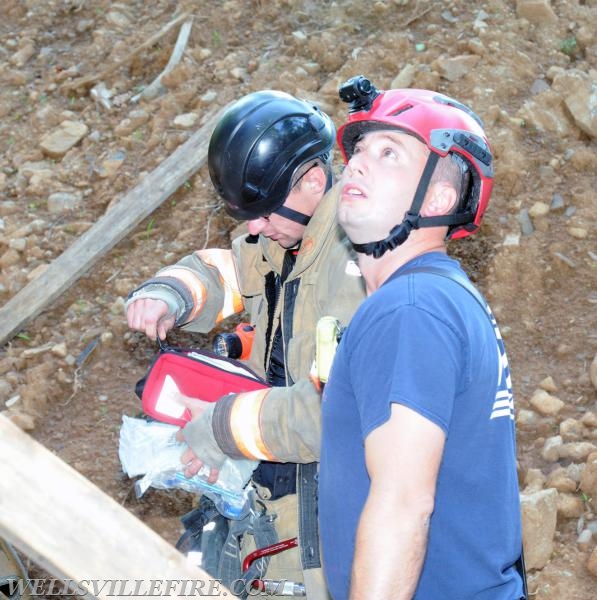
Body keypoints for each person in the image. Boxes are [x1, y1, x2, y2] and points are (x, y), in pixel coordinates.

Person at [126, 90, 366, 598]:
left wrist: (219, 426)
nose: (253, 227)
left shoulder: (356, 269)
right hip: (276, 499)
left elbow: (332, 415)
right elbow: (228, 269)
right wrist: (171, 293)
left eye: (261, 211)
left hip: (326, 525)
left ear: (314, 181)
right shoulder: (286, 235)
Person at [318, 77, 524, 599]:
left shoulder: (410, 310)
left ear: (438, 196)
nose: (358, 163)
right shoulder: (444, 298)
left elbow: (404, 503)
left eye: (389, 152)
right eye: (359, 150)